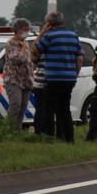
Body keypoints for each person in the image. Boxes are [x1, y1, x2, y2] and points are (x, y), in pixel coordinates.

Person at [35, 11, 82, 143]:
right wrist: (75, 74)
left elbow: (35, 50)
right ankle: (69, 138)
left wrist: (42, 33)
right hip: (69, 79)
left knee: (49, 109)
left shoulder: (49, 36)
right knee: (65, 109)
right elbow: (79, 58)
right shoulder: (73, 36)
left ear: (49, 24)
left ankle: (49, 137)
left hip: (53, 78)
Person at [4, 18, 34, 129]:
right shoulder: (12, 43)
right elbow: (18, 59)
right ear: (17, 30)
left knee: (23, 106)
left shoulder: (25, 43)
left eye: (27, 29)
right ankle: (8, 129)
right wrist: (22, 47)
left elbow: (29, 61)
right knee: (15, 105)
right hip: (13, 79)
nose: (26, 31)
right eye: (24, 29)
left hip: (26, 80)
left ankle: (17, 130)